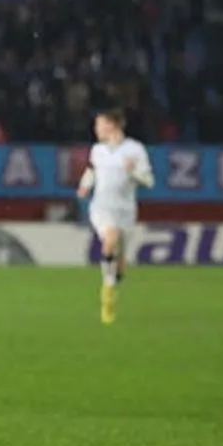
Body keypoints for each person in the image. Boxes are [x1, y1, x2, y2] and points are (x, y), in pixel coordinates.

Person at [76, 109, 154, 324]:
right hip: (102, 206)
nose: (96, 129)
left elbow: (149, 181)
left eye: (99, 124)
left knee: (120, 262)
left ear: (112, 125)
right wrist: (84, 186)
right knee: (110, 240)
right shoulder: (97, 150)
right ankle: (107, 291)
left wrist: (132, 171)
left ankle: (114, 279)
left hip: (125, 210)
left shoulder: (135, 149)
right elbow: (91, 171)